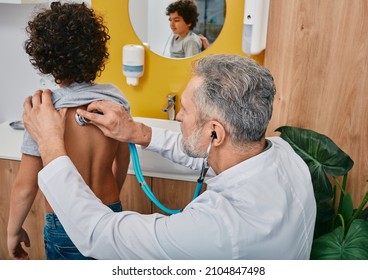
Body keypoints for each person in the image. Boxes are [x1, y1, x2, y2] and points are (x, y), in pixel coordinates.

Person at [23, 54, 317, 259]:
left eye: (185, 110)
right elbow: (206, 154)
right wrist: (138, 132)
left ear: (214, 132)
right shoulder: (284, 154)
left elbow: (97, 234)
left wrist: (50, 142)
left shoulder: (216, 230)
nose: (179, 118)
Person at [7, 2, 130, 260]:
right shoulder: (115, 103)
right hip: (110, 213)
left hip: (65, 225)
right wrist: (109, 200)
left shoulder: (44, 111)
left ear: (44, 57)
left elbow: (25, 186)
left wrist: (12, 232)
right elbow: (123, 160)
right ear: (96, 51)